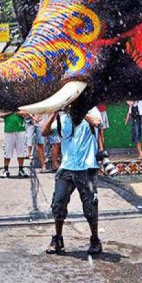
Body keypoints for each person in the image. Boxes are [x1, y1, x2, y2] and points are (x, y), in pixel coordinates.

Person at [42, 107, 104, 255]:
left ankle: (95, 240)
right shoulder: (63, 118)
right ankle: (58, 239)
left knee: (90, 205)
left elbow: (97, 122)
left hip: (87, 167)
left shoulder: (91, 110)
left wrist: (79, 110)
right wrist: (54, 114)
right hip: (67, 167)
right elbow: (45, 132)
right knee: (58, 203)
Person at [1, 112, 31, 178]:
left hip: (21, 129)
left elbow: (26, 114)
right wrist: (10, 112)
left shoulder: (20, 104)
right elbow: (1, 115)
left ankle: (21, 169)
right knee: (7, 150)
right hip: (8, 130)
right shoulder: (6, 105)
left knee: (21, 151)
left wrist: (17, 112)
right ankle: (6, 169)